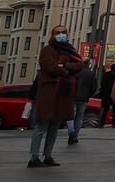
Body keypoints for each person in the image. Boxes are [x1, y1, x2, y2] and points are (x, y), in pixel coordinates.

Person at [29, 29, 87, 167]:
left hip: (62, 93)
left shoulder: (70, 50)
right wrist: (65, 71)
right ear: (53, 35)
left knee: (55, 126)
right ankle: (34, 157)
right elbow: (49, 67)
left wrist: (65, 66)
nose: (61, 34)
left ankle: (48, 155)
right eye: (58, 32)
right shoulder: (47, 50)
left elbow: (79, 64)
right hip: (49, 92)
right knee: (42, 126)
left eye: (64, 32)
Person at [68, 62, 100, 145]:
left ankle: (71, 130)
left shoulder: (73, 72)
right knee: (79, 116)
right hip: (84, 98)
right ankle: (75, 135)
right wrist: (89, 95)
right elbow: (94, 87)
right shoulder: (90, 74)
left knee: (71, 115)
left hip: (73, 97)